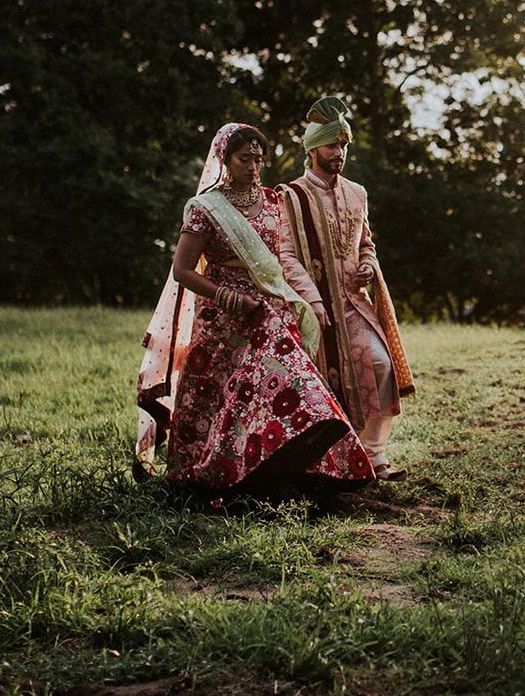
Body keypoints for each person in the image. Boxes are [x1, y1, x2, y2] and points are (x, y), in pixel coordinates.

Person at [135, 123, 373, 494]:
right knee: (220, 397)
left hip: (269, 306)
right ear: (224, 160)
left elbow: (288, 257)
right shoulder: (206, 209)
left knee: (290, 378)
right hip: (222, 313)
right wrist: (229, 298)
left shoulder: (276, 202)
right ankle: (218, 473)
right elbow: (182, 270)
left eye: (258, 159)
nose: (253, 166)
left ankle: (295, 463)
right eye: (244, 159)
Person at [276, 98, 415, 481]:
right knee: (327, 384)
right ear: (313, 148)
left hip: (355, 303)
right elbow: (285, 255)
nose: (340, 154)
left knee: (380, 366)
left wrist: (369, 264)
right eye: (333, 146)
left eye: (344, 146)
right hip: (313, 307)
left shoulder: (357, 192)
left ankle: (374, 456)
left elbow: (366, 242)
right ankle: (334, 464)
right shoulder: (292, 195)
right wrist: (313, 299)